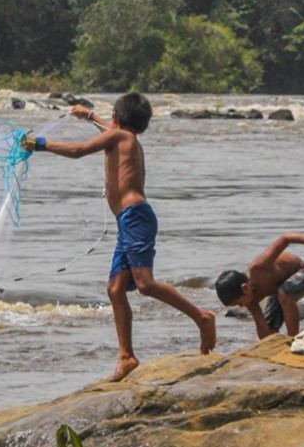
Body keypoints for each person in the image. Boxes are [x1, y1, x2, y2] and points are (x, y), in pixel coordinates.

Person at [23, 92, 216, 382]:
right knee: (115, 289)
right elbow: (109, 133)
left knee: (145, 284)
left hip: (135, 217)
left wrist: (38, 144)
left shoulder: (118, 138)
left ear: (116, 118)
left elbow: (79, 151)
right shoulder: (127, 139)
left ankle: (201, 316)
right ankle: (126, 357)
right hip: (128, 221)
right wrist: (90, 117)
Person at [215, 233, 304, 339]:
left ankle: (294, 338)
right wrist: (265, 343)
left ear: (245, 288)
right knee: (270, 332)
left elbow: (285, 238)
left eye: (239, 303)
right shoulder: (251, 300)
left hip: (302, 273)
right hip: (279, 290)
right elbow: (262, 328)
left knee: (284, 293)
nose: (241, 307)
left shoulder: (258, 267)